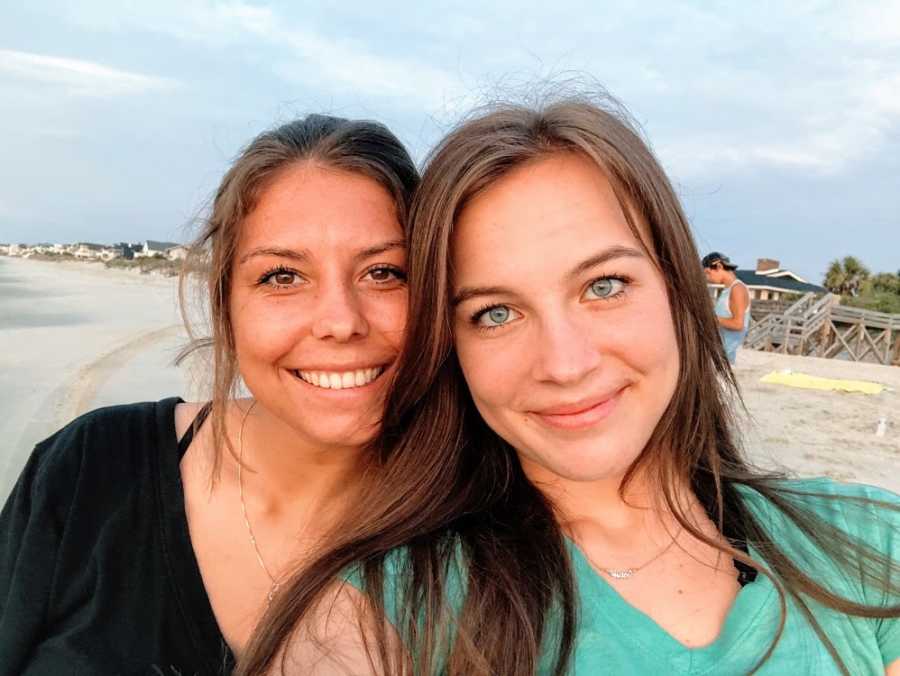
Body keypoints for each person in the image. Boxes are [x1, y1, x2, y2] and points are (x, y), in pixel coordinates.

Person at [238, 96, 899, 676]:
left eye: (604, 286)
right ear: (451, 348)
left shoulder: (870, 542)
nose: (564, 362)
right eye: (496, 313)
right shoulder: (393, 605)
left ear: (675, 290)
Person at [0, 113, 418, 675]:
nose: (340, 322)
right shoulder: (88, 471)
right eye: (282, 277)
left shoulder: (495, 534)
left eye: (384, 272)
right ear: (226, 306)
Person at [702, 251, 751, 364]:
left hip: (724, 357)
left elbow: (738, 324)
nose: (707, 278)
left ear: (719, 266)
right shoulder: (727, 290)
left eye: (708, 273)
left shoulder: (737, 289)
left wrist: (709, 318)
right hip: (718, 353)